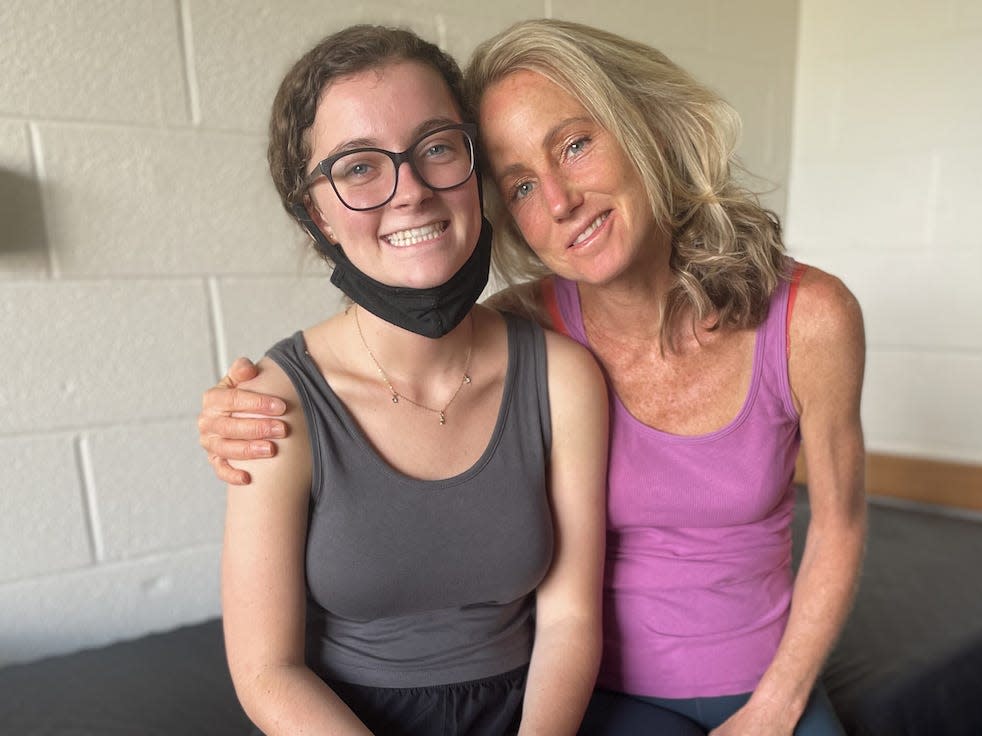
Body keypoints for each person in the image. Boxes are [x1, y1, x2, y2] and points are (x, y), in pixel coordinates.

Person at [201, 19, 866, 736]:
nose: (558, 201)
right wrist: (231, 410)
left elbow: (839, 522)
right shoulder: (527, 332)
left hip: (725, 687)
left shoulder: (800, 321)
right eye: (519, 184)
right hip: (600, 695)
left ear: (643, 127)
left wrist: (779, 704)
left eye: (575, 145)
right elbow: (413, 345)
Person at [216, 24, 608, 736]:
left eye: (435, 148)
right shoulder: (274, 404)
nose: (413, 192)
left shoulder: (562, 378)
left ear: (473, 167)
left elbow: (571, 618)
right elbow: (266, 670)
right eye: (359, 167)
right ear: (317, 214)